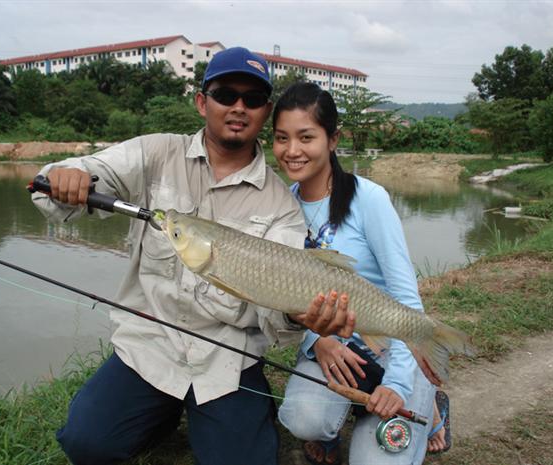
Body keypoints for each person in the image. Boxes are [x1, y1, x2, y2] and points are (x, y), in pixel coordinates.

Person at [31, 48, 354, 465]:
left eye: (253, 99)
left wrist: (299, 316)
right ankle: (160, 413)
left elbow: (278, 316)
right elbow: (85, 174)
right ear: (203, 102)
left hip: (226, 361)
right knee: (86, 442)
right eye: (225, 94)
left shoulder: (281, 209)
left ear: (265, 111)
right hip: (148, 348)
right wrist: (66, 176)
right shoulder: (154, 154)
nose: (238, 107)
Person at [272, 82, 447, 465]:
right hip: (333, 350)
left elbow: (404, 294)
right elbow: (282, 294)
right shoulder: (282, 206)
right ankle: (332, 431)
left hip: (389, 344)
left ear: (333, 139)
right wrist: (316, 341)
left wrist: (398, 383)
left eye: (306, 137)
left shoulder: (369, 199)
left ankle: (430, 407)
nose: (292, 150)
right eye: (281, 138)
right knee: (304, 419)